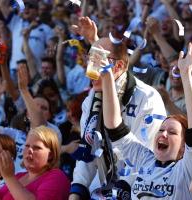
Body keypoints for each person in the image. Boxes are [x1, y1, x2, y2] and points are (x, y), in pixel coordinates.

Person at [69, 20, 166, 199]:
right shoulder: (91, 99)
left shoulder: (147, 98)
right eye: (90, 61)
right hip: (104, 186)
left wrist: (119, 191)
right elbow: (88, 149)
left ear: (119, 67)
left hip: (140, 190)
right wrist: (77, 190)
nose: (90, 71)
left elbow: (146, 158)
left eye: (97, 62)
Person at [101, 41, 192, 199]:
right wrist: (108, 78)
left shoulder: (189, 167)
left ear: (184, 147)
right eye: (161, 130)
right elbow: (114, 127)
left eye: (172, 132)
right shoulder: (146, 159)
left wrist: (186, 75)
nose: (163, 134)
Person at [0, 126, 70, 200]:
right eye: (27, 146)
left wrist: (9, 177)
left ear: (50, 155)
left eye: (37, 147)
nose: (29, 150)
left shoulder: (57, 177)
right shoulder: (19, 176)